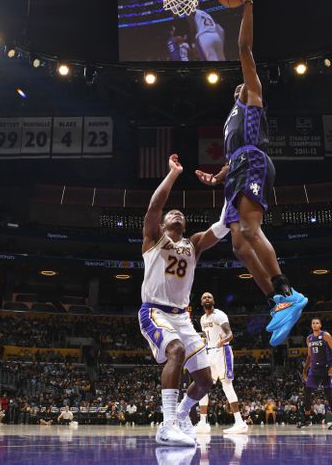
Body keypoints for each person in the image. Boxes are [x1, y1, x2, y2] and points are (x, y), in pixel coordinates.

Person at [194, 0, 307, 347]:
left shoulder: (253, 96)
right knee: (240, 246)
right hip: (238, 168)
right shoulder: (232, 116)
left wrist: (248, 4)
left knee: (249, 229)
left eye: (246, 80)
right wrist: (218, 177)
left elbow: (244, 47)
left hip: (254, 162)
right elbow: (232, 156)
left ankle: (288, 291)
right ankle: (277, 301)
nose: (243, 83)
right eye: (240, 84)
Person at [138, 154, 224, 446]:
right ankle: (166, 425)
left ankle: (182, 416)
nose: (176, 213)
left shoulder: (194, 244)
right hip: (154, 311)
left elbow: (223, 225)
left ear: (185, 225)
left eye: (180, 214)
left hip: (182, 317)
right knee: (174, 351)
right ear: (162, 224)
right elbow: (154, 205)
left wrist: (229, 186)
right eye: (171, 213)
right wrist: (173, 173)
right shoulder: (154, 239)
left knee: (205, 381)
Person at [195, 292, 247, 434]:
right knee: (203, 385)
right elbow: (205, 337)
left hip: (222, 351)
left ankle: (240, 422)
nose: (207, 299)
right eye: (204, 297)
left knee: (227, 385)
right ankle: (203, 422)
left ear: (213, 301)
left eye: (209, 297)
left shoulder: (219, 315)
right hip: (209, 352)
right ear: (201, 302)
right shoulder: (202, 319)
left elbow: (230, 334)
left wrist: (222, 341)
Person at [302, 317, 332, 430]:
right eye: (313, 323)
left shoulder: (325, 335)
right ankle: (307, 419)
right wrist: (304, 370)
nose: (315, 325)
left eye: (317, 323)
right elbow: (309, 356)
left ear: (320, 325)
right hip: (314, 369)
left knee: (329, 394)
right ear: (311, 325)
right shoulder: (309, 338)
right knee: (307, 392)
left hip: (326, 368)